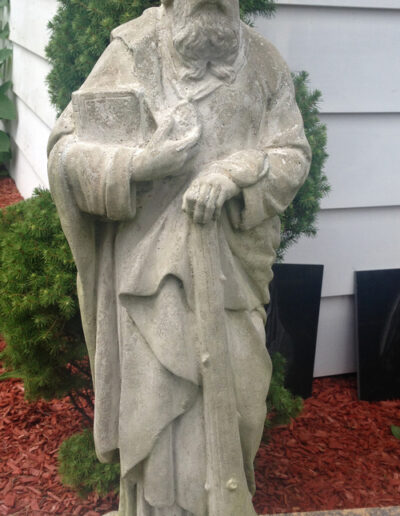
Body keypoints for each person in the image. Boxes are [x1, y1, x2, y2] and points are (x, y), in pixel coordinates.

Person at [47, 0, 311, 514]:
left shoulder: (265, 63)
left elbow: (293, 154)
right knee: (156, 413)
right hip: (146, 283)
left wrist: (239, 172)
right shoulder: (133, 51)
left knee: (241, 404)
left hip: (233, 274)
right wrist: (139, 165)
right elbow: (66, 152)